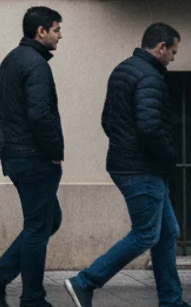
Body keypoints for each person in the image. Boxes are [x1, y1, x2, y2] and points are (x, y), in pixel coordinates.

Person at [65, 23, 189, 307]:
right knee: (146, 233)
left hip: (128, 163)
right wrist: (168, 155)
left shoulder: (123, 70)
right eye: (173, 51)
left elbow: (107, 120)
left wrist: (124, 145)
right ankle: (84, 282)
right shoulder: (150, 77)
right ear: (161, 47)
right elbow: (150, 128)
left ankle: (171, 300)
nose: (173, 58)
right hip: (142, 168)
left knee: (167, 233)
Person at [0, 6, 65, 307]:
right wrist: (55, 153)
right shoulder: (36, 65)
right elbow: (40, 114)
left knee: (50, 220)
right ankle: (31, 298)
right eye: (56, 29)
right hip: (34, 158)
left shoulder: (11, 60)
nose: (60, 35)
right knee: (38, 227)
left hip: (15, 155)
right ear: (40, 31)